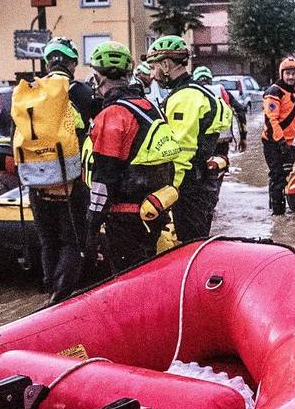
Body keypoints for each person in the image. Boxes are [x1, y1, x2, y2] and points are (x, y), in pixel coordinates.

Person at [82, 42, 180, 274]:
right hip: (154, 208)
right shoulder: (149, 106)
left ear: (99, 78)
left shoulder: (112, 115)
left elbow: (104, 177)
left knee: (126, 277)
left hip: (125, 217)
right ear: (129, 75)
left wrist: (92, 223)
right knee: (146, 272)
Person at [27, 38, 96, 303]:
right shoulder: (80, 92)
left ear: (47, 62)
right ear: (71, 64)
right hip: (72, 180)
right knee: (72, 241)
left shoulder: (31, 91)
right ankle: (63, 296)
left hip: (37, 181)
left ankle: (48, 289)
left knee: (48, 241)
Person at [146, 35, 232, 242]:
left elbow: (179, 152)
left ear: (166, 65)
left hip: (189, 185)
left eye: (153, 67)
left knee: (188, 242)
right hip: (204, 181)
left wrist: (169, 191)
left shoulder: (184, 98)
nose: (152, 74)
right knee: (198, 238)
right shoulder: (202, 92)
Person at [262, 57, 295, 215]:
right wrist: (281, 142)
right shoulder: (274, 92)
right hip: (272, 142)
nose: (290, 77)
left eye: (294, 74)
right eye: (287, 73)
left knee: (287, 175)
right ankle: (277, 214)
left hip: (288, 143)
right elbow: (271, 120)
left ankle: (276, 205)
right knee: (277, 176)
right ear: (282, 74)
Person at [193, 66, 247, 156]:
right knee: (222, 165)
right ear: (210, 79)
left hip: (199, 142)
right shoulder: (221, 91)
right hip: (221, 140)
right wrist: (243, 138)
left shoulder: (191, 92)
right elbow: (240, 111)